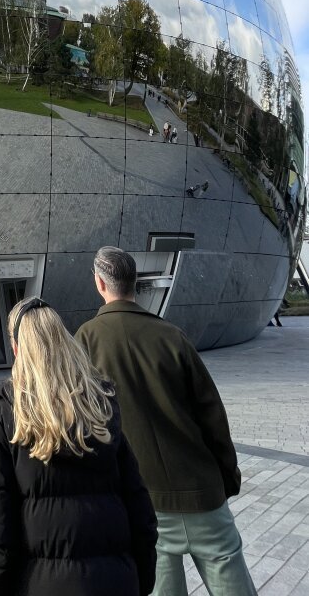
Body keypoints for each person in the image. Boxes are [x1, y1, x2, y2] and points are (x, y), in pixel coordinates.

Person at [0, 297, 157, 596]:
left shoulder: (5, 416)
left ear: (17, 349)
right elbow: (142, 513)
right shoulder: (101, 408)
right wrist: (140, 580)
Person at [76, 247, 256, 596]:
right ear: (136, 284)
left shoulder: (85, 340)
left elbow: (83, 427)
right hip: (203, 493)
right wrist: (227, 479)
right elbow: (213, 418)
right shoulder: (173, 336)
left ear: (100, 283)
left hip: (143, 501)